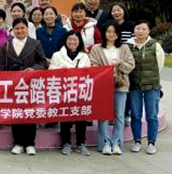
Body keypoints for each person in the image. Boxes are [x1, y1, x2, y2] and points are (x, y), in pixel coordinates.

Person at [0, 18, 48, 156]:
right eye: (17, 28)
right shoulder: (6, 45)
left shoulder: (35, 43)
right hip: (14, 85)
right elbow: (1, 66)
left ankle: (30, 143)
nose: (20, 31)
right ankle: (18, 142)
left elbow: (43, 62)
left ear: (27, 29)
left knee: (30, 113)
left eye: (22, 28)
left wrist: (34, 69)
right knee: (16, 113)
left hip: (30, 84)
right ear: (13, 30)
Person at [89, 21, 135, 155]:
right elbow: (93, 65)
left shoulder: (124, 48)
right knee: (103, 115)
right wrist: (106, 71)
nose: (111, 34)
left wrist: (120, 63)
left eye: (114, 32)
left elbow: (131, 66)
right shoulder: (96, 48)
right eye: (108, 31)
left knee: (119, 115)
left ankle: (116, 143)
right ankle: (105, 143)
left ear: (118, 34)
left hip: (121, 84)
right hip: (103, 86)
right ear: (104, 33)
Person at [50, 31, 92, 156]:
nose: (72, 42)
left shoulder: (84, 56)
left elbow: (89, 72)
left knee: (81, 118)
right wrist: (62, 71)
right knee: (65, 117)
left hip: (80, 91)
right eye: (70, 39)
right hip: (64, 91)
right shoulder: (57, 55)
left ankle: (81, 143)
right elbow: (50, 71)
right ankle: (66, 143)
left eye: (75, 40)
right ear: (65, 40)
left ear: (79, 42)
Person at [127, 20, 165, 155]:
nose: (140, 31)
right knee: (135, 115)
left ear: (148, 31)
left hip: (152, 86)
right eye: (138, 28)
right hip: (134, 86)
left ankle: (151, 142)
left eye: (144, 29)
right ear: (134, 30)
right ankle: (137, 141)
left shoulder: (155, 45)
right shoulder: (128, 45)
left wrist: (151, 79)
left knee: (151, 115)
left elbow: (160, 66)